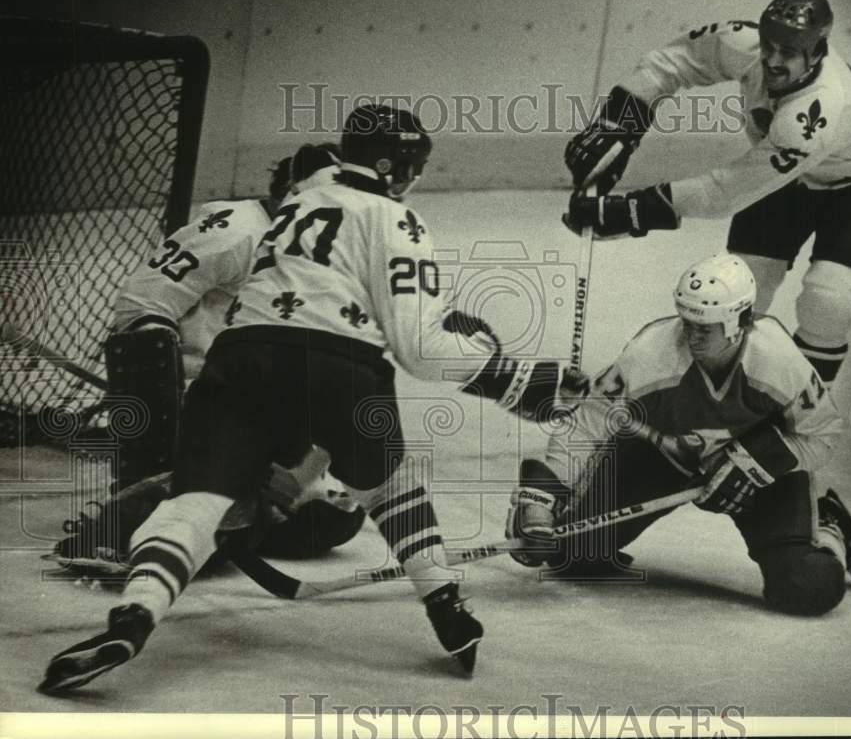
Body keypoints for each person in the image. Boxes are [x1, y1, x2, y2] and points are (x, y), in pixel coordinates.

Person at [40, 104, 578, 693]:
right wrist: (522, 382)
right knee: (387, 481)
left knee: (202, 505)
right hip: (336, 368)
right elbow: (421, 348)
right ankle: (445, 603)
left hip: (236, 367)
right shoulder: (397, 219)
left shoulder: (289, 207)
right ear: (395, 166)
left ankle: (134, 614)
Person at [563, 0, 851, 388]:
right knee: (741, 288)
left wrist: (633, 211)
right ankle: (716, 393)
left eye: (789, 52)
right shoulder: (742, 43)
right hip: (792, 174)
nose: (773, 60)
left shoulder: (818, 112)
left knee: (828, 296)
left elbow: (722, 193)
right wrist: (618, 123)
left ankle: (802, 403)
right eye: (770, 45)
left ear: (816, 52)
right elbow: (669, 64)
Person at [506, 253, 851, 616]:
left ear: (742, 320)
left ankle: (828, 524)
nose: (692, 337)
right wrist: (540, 503)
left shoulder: (780, 363)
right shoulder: (650, 352)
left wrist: (755, 464)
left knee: (808, 585)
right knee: (569, 554)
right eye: (687, 322)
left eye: (705, 327)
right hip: (663, 458)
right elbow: (587, 422)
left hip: (761, 474)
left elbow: (824, 434)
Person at [53, 142, 365, 569]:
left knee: (331, 522)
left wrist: (300, 473)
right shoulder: (235, 230)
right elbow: (142, 304)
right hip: (199, 406)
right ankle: (151, 502)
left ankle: (216, 517)